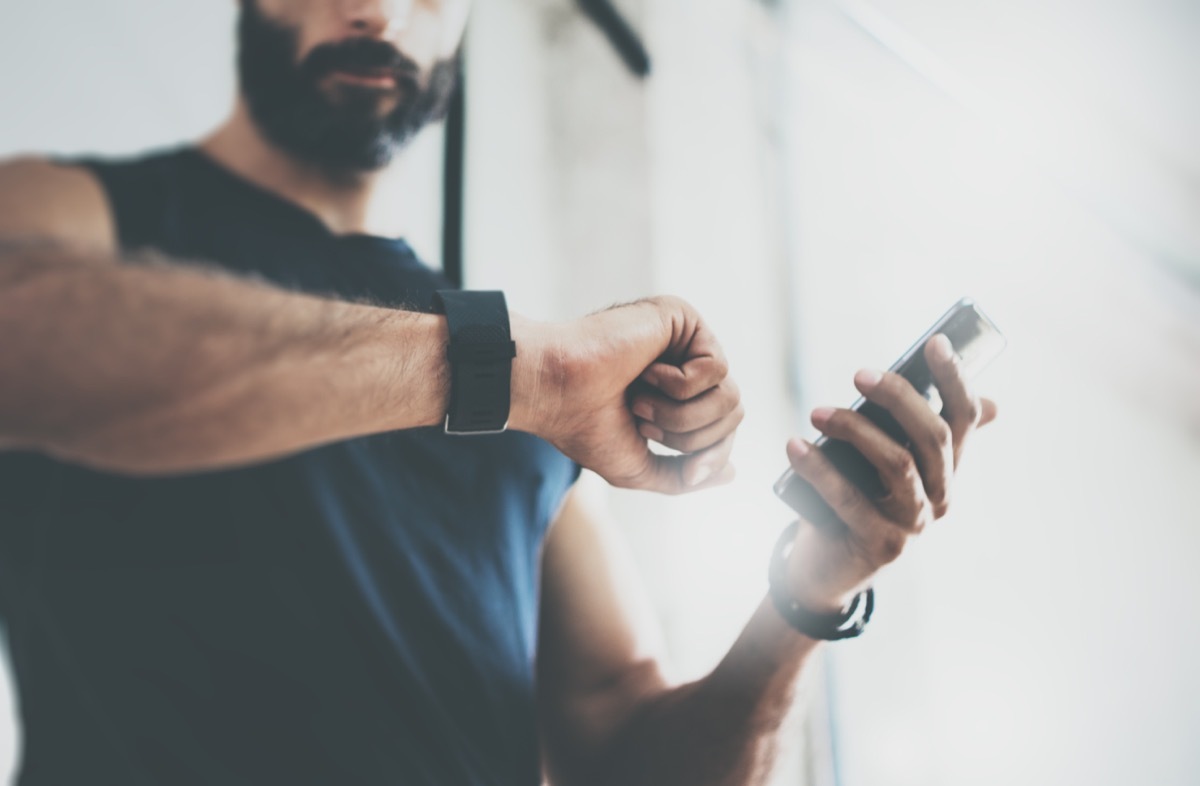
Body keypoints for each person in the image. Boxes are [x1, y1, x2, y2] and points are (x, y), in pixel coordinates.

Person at [0, 1, 998, 784]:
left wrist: (809, 593)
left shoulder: (519, 375)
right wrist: (533, 375)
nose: (381, 12)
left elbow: (621, 751)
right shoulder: (77, 214)